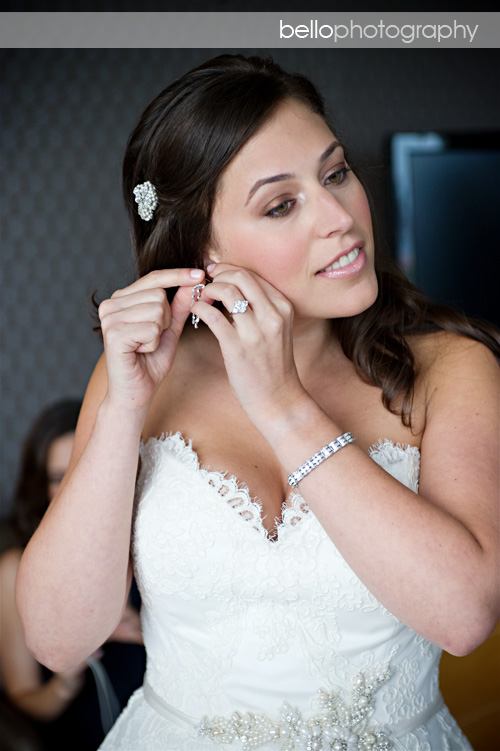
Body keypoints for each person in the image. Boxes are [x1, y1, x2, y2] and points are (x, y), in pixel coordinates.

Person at [15, 54, 499, 751]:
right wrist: (123, 408)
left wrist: (283, 406)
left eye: (335, 173)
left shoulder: (452, 369)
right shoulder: (142, 380)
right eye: (281, 205)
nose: (340, 217)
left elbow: (464, 617)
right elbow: (58, 639)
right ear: (201, 249)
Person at [0, 399, 145, 750]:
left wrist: (141, 630)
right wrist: (64, 683)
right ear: (41, 486)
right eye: (56, 478)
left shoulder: (148, 546)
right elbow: (25, 702)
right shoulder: (15, 568)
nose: (70, 490)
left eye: (80, 471)